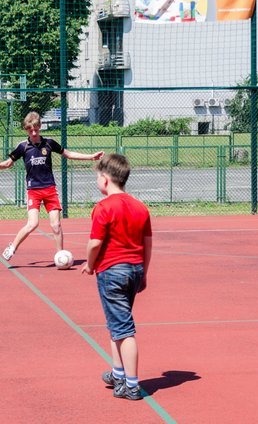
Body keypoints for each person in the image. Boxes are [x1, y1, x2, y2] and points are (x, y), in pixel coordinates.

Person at [81, 153, 152, 401]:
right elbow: (147, 244)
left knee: (124, 329)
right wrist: (144, 273)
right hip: (134, 270)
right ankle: (118, 373)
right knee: (116, 324)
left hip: (112, 272)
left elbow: (94, 243)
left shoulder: (103, 208)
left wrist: (90, 265)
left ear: (105, 179)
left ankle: (132, 385)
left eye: (97, 177)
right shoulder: (140, 207)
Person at [0, 111, 104, 261]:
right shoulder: (23, 147)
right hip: (33, 191)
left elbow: (68, 154)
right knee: (33, 224)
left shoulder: (49, 143)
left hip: (50, 189)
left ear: (40, 127)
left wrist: (91, 157)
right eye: (30, 130)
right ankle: (12, 248)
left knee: (56, 225)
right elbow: (9, 163)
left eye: (36, 129)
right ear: (26, 129)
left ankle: (60, 256)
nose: (34, 132)